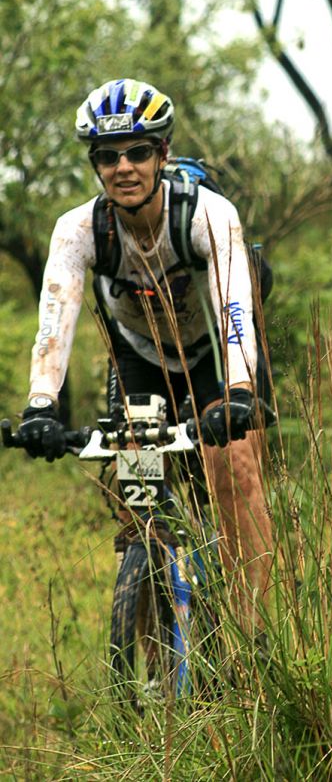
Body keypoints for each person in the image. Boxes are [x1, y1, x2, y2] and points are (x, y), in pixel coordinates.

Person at [17, 78, 275, 629]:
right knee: (140, 495)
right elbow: (54, 319)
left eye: (137, 152)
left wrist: (238, 391)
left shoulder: (208, 214)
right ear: (95, 165)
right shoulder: (79, 229)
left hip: (214, 354)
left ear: (161, 155)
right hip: (141, 359)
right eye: (108, 157)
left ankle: (255, 633)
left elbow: (235, 310)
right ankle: (153, 637)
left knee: (235, 470)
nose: (123, 167)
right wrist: (41, 406)